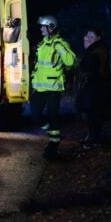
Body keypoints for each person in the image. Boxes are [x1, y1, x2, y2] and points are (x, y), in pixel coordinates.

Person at [30, 15, 76, 159]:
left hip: (53, 88)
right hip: (39, 88)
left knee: (52, 116)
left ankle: (53, 144)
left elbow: (70, 61)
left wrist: (60, 48)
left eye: (43, 27)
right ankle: (52, 135)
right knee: (35, 114)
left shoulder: (60, 44)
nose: (41, 29)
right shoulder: (42, 44)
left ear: (51, 28)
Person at [76, 27, 111, 148]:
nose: (88, 38)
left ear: (98, 38)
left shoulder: (99, 51)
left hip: (97, 89)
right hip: (94, 89)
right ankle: (92, 137)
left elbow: (90, 66)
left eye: (91, 37)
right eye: (87, 36)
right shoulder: (94, 49)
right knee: (92, 114)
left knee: (95, 114)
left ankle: (95, 140)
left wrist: (88, 50)